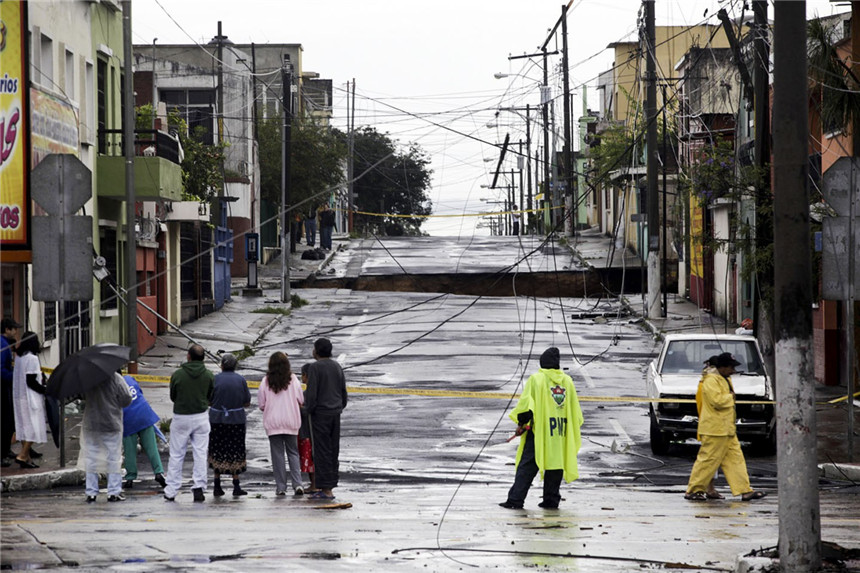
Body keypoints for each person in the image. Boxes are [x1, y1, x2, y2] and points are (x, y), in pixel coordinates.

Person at [499, 347, 583, 510]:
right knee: (555, 465)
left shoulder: (536, 379)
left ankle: (516, 499)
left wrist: (521, 425)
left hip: (539, 432)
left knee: (528, 465)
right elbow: (576, 413)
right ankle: (551, 500)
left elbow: (526, 407)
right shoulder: (567, 382)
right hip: (559, 432)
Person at [685, 352, 767, 502]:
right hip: (714, 429)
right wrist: (730, 397)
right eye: (731, 367)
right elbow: (717, 401)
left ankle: (745, 490)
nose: (733, 371)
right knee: (708, 460)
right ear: (721, 367)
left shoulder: (724, 378)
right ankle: (694, 490)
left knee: (736, 460)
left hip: (726, 429)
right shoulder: (711, 380)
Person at [163, 344, 214, 502]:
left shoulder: (178, 375)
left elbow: (173, 396)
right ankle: (199, 487)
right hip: (201, 416)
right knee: (200, 453)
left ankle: (171, 489)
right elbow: (211, 396)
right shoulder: (209, 375)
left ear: (188, 356)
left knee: (177, 454)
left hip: (181, 417)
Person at [304, 338, 347, 500]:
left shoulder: (315, 368)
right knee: (333, 449)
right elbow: (343, 391)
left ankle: (325, 489)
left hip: (320, 415)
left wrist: (308, 409)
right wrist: (339, 406)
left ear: (317, 351)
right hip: (335, 413)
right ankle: (330, 485)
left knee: (321, 451)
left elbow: (312, 393)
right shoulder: (336, 366)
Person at [258, 352, 305, 496]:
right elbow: (301, 400)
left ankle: (281, 487)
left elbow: (261, 404)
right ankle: (297, 484)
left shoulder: (266, 381)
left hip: (273, 422)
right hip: (291, 421)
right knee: (293, 453)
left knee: (277, 454)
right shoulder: (293, 379)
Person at [82, 370, 133, 503]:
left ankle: (91, 492)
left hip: (92, 423)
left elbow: (82, 396)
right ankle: (113, 492)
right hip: (111, 423)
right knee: (114, 458)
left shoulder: (89, 378)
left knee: (91, 457)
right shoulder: (116, 378)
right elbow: (127, 399)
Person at [208, 353, 251, 497]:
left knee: (217, 450)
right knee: (235, 451)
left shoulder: (214, 379)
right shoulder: (240, 380)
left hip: (217, 420)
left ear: (222, 365)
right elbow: (247, 401)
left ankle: (217, 484)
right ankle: (236, 485)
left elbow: (209, 399)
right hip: (236, 421)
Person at [121, 373, 166, 489]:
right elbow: (139, 392)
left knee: (129, 450)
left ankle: (130, 477)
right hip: (144, 413)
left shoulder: (112, 386)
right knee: (151, 447)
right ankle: (159, 472)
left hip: (128, 419)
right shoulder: (129, 379)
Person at [11, 332, 47, 469]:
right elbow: (31, 382)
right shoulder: (32, 359)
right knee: (33, 428)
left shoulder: (19, 357)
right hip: (30, 398)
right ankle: (22, 455)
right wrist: (45, 390)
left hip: (20, 397)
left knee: (24, 428)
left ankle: (27, 458)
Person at [1, 318, 21, 466]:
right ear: (7, 329)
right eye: (14, 329)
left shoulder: (7, 345)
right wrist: (16, 376)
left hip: (7, 386)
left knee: (9, 420)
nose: (16, 332)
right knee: (6, 421)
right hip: (3, 386)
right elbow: (1, 370)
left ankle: (6, 449)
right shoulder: (2, 345)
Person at [299, 363, 316, 492]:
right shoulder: (317, 390)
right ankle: (314, 484)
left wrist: (298, 408)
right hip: (314, 430)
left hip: (308, 431)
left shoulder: (308, 393)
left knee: (310, 459)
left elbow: (307, 410)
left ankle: (314, 484)